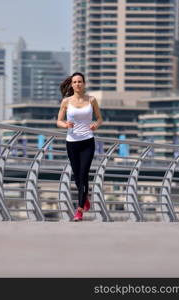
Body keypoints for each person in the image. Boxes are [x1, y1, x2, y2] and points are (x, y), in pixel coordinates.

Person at [57, 72, 103, 221]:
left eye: (80, 82)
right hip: (72, 142)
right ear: (71, 84)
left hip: (87, 141)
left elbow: (100, 118)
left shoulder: (92, 100)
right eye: (75, 82)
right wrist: (65, 124)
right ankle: (85, 197)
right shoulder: (66, 101)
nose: (77, 84)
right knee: (77, 176)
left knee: (83, 174)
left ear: (84, 84)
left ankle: (79, 210)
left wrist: (95, 124)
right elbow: (58, 121)